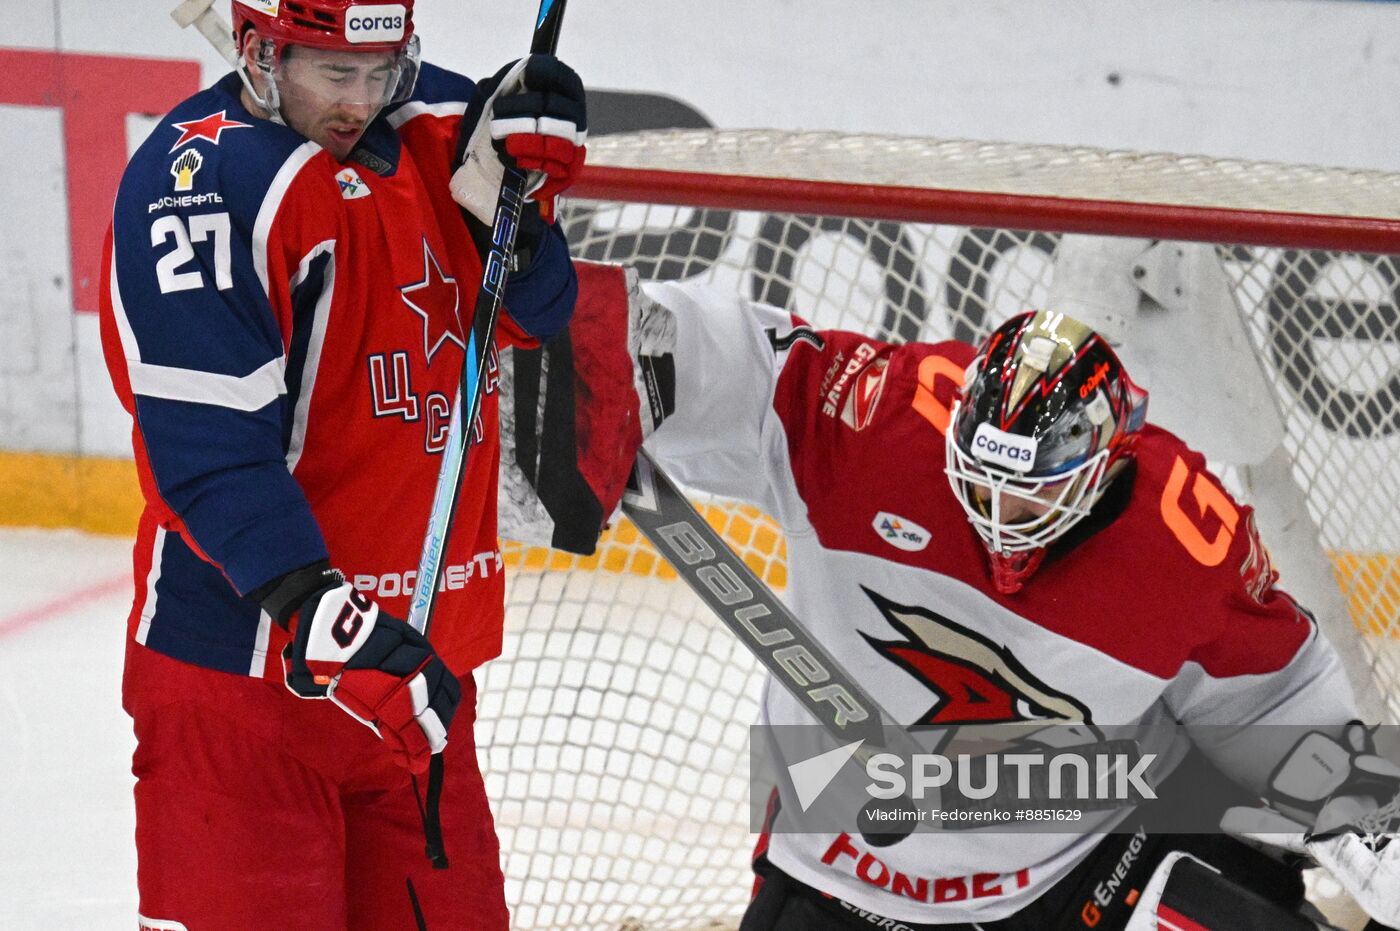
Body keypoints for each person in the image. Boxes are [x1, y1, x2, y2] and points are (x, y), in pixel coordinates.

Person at [501, 265, 1400, 931]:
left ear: (1104, 467)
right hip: (842, 875)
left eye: (1033, 497)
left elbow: (1273, 689)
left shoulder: (1181, 535)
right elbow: (733, 357)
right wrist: (594, 346)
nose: (1003, 519)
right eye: (983, 486)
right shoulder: (877, 423)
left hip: (1078, 862)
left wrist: (1357, 802)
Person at [98, 0, 586, 927]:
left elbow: (538, 313)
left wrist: (514, 225)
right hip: (248, 686)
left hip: (415, 682)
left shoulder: (445, 127)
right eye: (333, 73)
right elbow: (206, 448)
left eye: (382, 70)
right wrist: (318, 608)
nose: (360, 101)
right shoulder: (196, 179)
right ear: (257, 51)